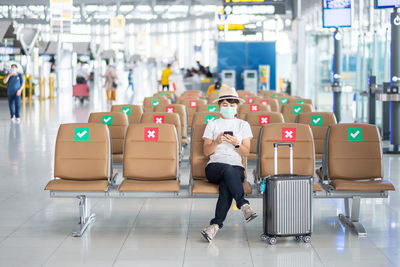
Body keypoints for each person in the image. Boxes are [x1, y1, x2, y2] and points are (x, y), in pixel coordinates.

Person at [201, 86, 258, 242]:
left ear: (237, 106)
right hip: (215, 167)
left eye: (232, 105)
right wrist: (217, 141)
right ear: (219, 106)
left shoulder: (243, 125)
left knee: (227, 185)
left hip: (236, 168)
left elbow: (246, 153)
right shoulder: (212, 124)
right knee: (226, 169)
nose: (228, 107)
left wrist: (236, 144)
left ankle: (215, 226)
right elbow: (206, 151)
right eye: (225, 104)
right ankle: (243, 204)